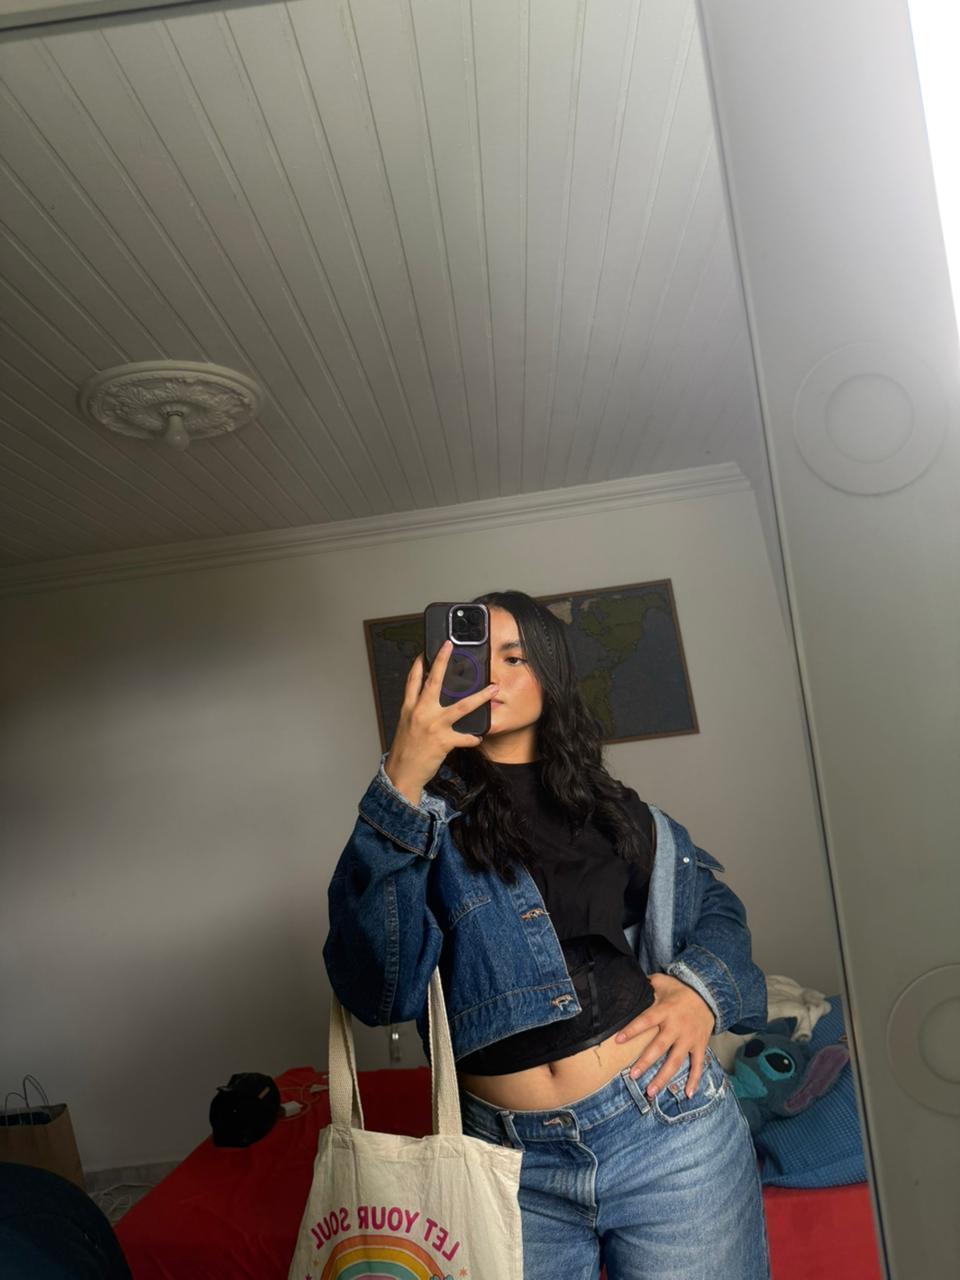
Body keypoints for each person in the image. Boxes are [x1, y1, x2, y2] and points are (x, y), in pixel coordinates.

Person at [324, 590, 771, 1279]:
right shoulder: (417, 817)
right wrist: (403, 778)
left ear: (551, 676)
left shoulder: (611, 810)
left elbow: (715, 907)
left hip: (666, 1131)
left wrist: (701, 993)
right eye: (475, 658)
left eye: (515, 657)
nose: (493, 676)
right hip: (505, 1165)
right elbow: (378, 992)